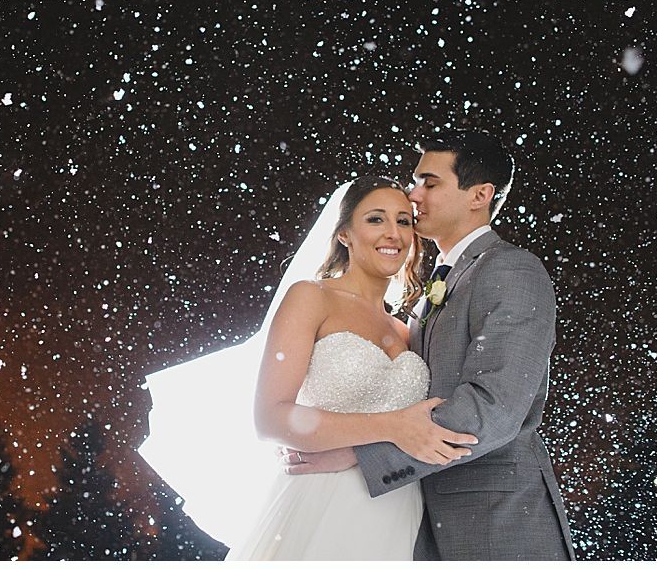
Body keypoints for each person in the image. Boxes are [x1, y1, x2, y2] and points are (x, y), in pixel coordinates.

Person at [137, 177, 477, 560]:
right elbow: (271, 419)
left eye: (403, 221)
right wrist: (393, 426)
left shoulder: (408, 330)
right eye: (376, 219)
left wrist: (365, 448)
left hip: (398, 507)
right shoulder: (311, 298)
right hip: (321, 502)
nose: (393, 233)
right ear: (345, 234)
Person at [282, 130, 577, 560]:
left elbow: (493, 408)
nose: (413, 194)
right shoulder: (433, 289)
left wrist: (361, 455)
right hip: (412, 520)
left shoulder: (511, 270)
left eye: (430, 183)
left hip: (494, 524)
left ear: (480, 195)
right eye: (415, 181)